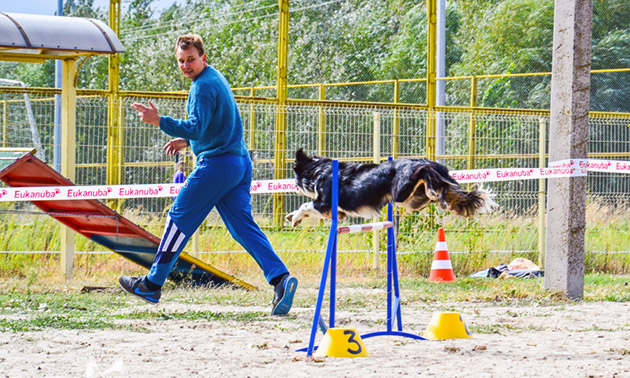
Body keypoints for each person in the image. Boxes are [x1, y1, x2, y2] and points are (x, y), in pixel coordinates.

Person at [119, 34, 297, 316]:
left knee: (178, 218)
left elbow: (198, 126)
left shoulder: (201, 88)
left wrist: (161, 121)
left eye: (190, 59)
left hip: (217, 166)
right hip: (238, 163)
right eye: (181, 61)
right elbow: (217, 126)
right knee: (242, 227)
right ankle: (281, 279)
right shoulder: (216, 79)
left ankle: (152, 284)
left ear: (203, 57)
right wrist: (188, 142)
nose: (186, 65)